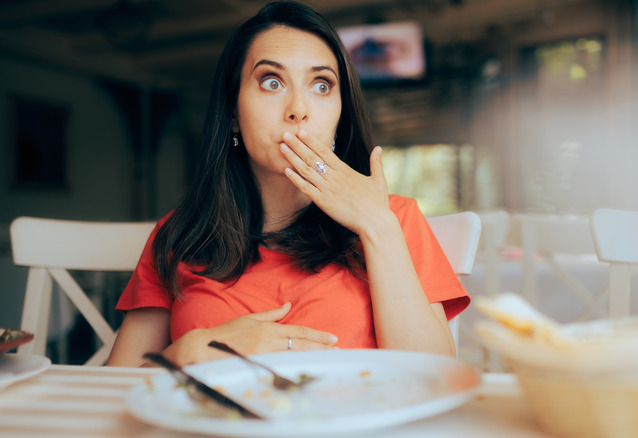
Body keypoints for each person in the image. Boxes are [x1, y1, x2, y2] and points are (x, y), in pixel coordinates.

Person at [106, 1, 469, 367]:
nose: (299, 108)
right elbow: (109, 391)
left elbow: (435, 374)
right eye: (272, 82)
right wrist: (187, 351)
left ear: (340, 116)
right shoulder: (181, 234)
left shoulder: (395, 218)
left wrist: (376, 226)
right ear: (233, 113)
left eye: (322, 85)